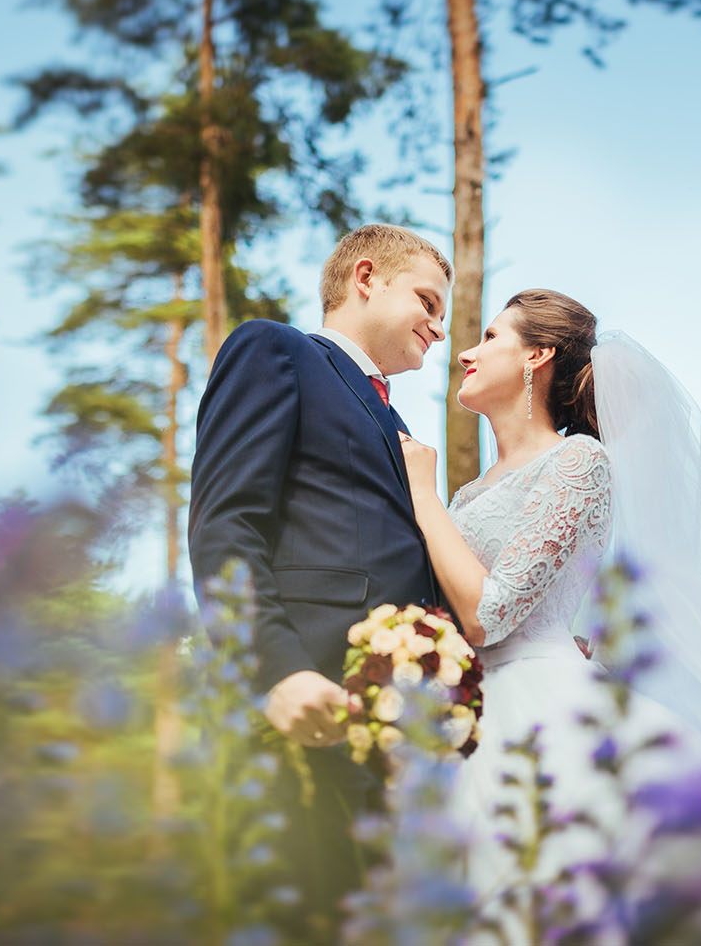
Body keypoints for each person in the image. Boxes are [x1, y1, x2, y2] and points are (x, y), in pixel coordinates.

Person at [399, 289, 701, 943]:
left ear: (536, 355)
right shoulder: (467, 493)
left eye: (489, 336)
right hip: (466, 716)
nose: (466, 349)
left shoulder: (580, 460)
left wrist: (422, 500)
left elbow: (490, 613)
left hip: (542, 711)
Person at [188, 224, 451, 935]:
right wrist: (275, 669)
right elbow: (227, 523)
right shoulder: (276, 350)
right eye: (428, 301)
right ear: (367, 277)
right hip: (301, 704)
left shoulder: (396, 420)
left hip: (383, 745)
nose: (439, 325)